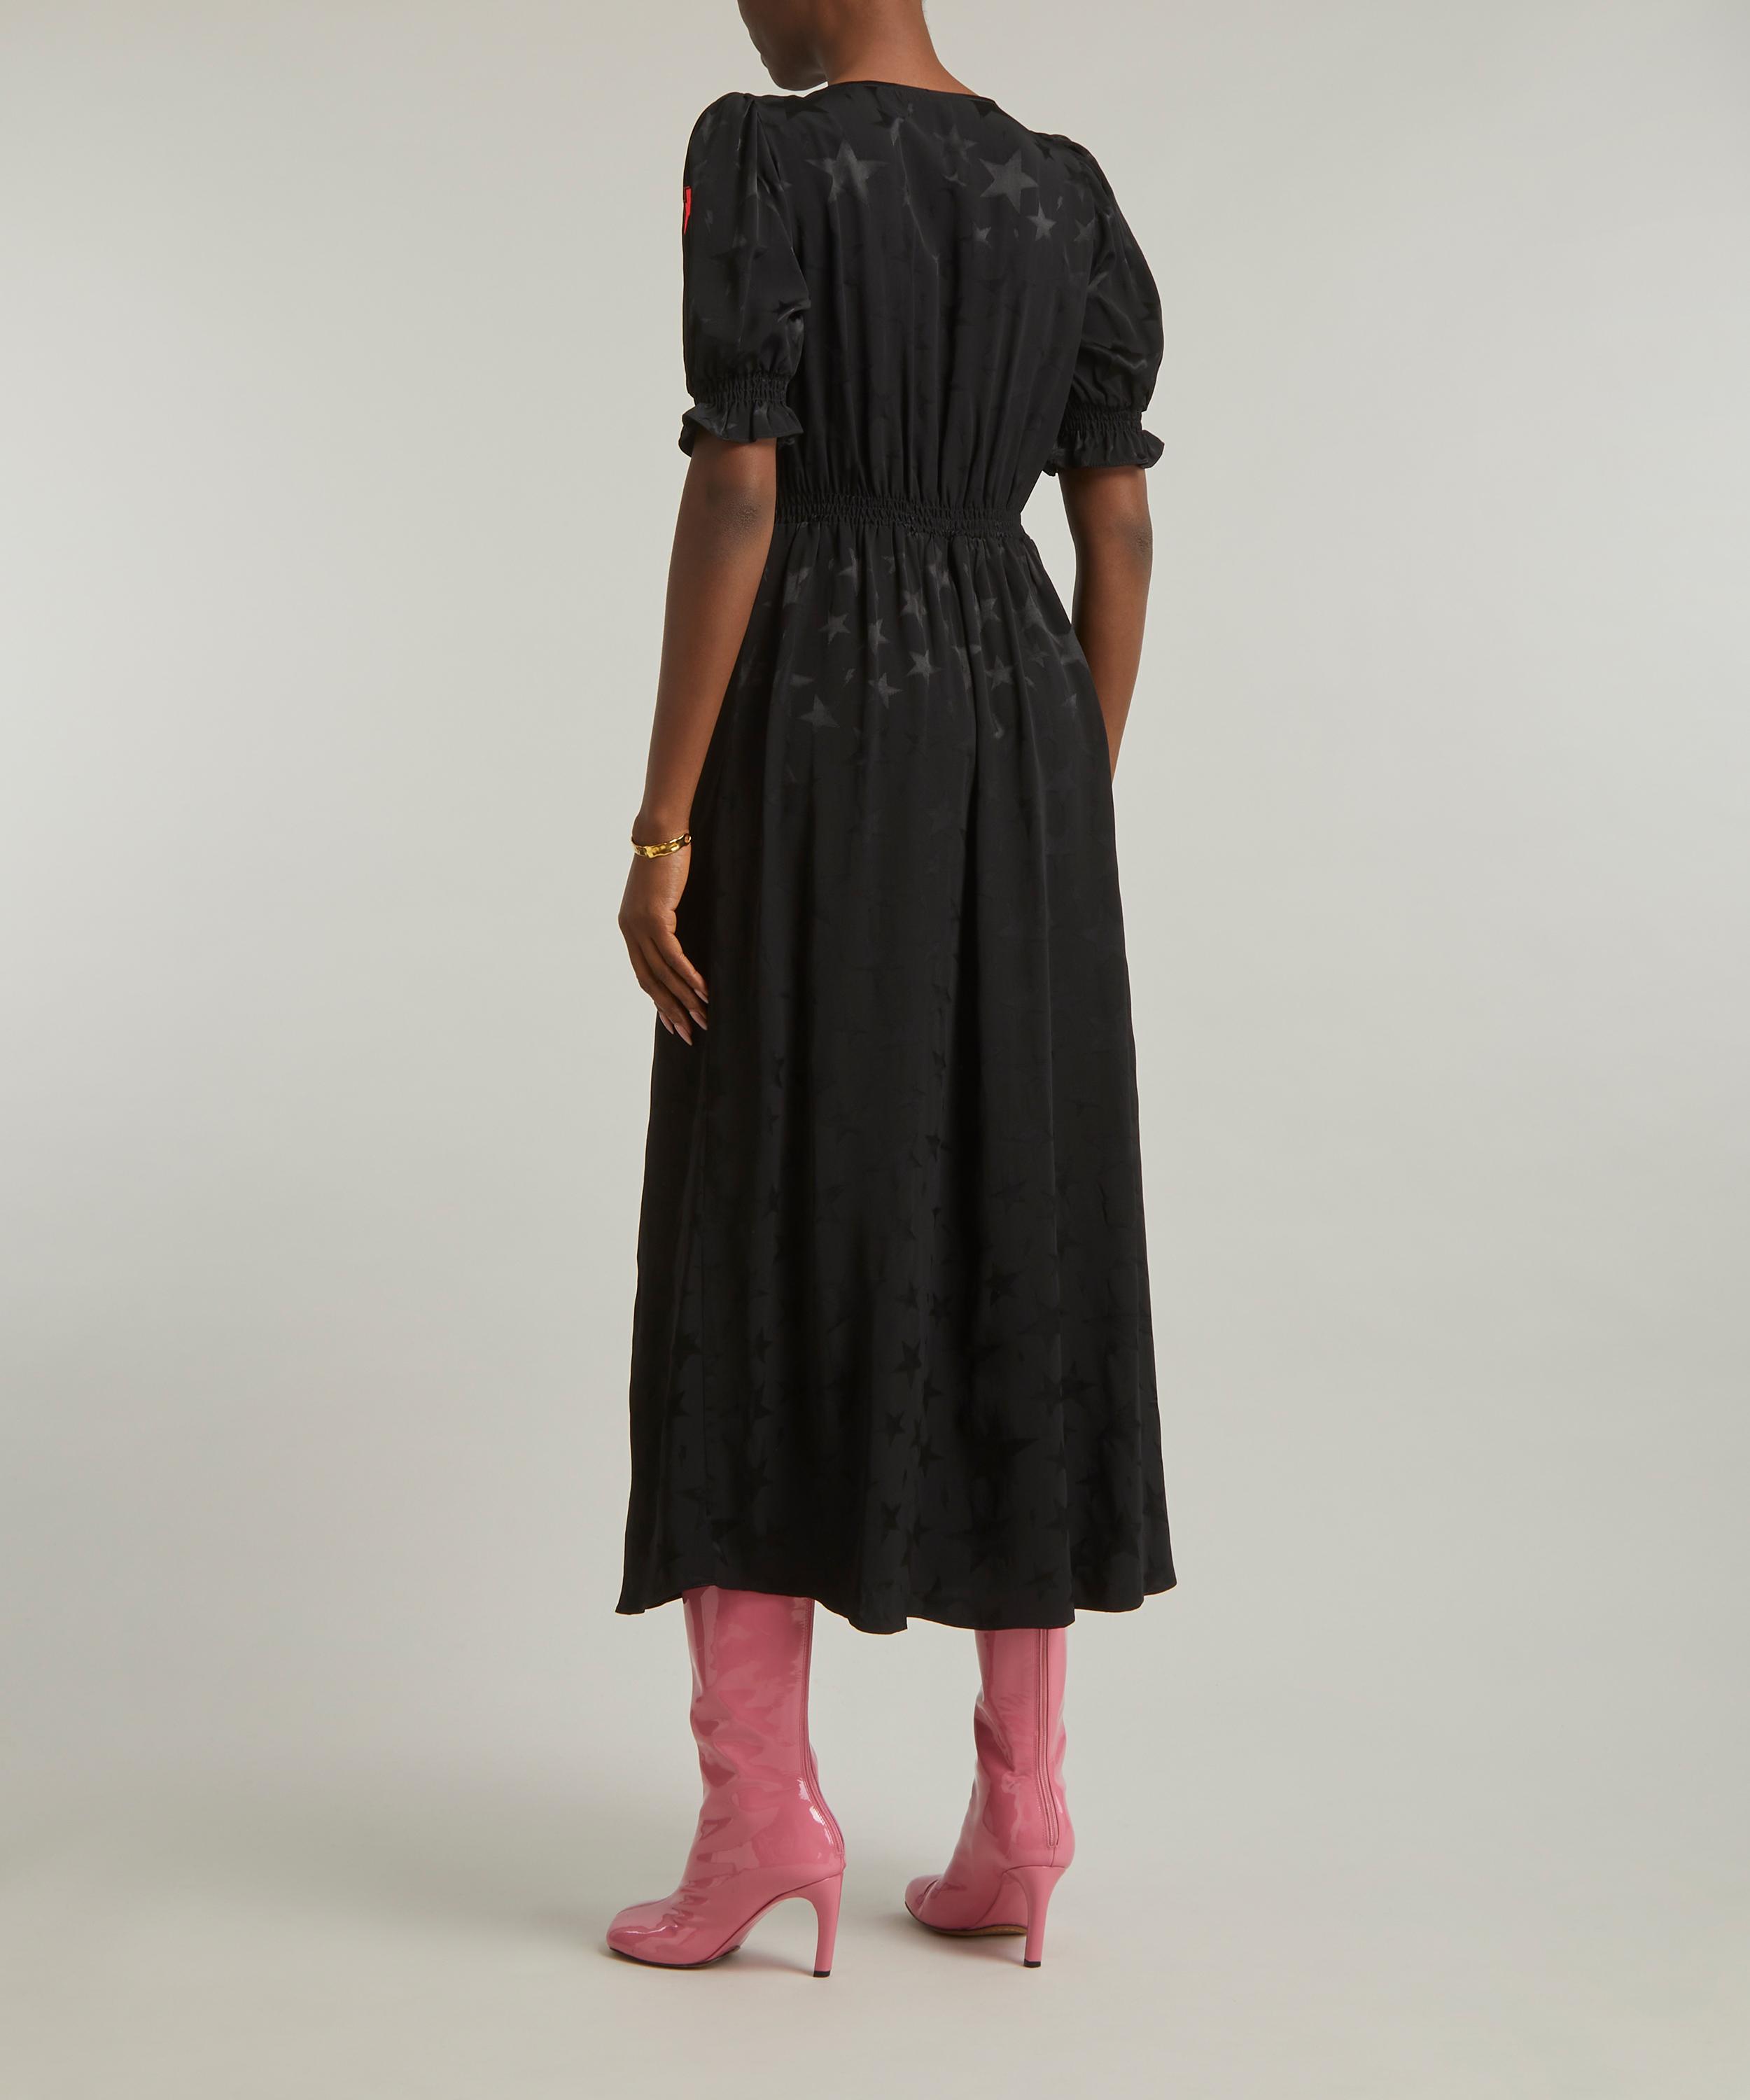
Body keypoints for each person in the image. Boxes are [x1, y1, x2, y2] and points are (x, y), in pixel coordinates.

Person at [609, 0, 1173, 1975]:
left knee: (760, 1207)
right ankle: (1023, 1814)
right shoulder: (1063, 190)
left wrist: (661, 826)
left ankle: (760, 1813)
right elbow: (1117, 523)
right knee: (1019, 1206)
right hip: (1020, 720)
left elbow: (738, 491)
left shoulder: (763, 154)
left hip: (821, 717)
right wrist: (1058, 793)